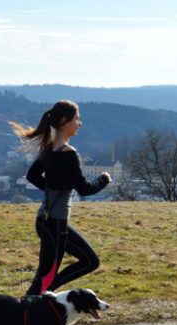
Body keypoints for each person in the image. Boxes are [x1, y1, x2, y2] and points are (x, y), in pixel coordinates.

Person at [10, 100, 112, 296]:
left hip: (46, 220)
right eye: (77, 119)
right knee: (48, 277)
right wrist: (104, 179)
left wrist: (53, 190)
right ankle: (30, 311)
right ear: (65, 121)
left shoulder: (49, 150)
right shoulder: (68, 154)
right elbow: (85, 189)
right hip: (55, 224)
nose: (79, 124)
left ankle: (45, 296)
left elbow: (32, 176)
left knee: (86, 262)